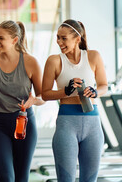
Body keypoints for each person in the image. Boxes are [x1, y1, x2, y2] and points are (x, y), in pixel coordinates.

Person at [0, 20, 45, 182]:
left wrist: (34, 100)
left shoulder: (30, 62)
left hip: (24, 123)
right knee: (5, 178)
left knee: (21, 178)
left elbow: (43, 97)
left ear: (14, 40)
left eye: (1, 38)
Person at [42, 19, 108, 182]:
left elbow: (103, 86)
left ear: (77, 39)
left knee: (89, 180)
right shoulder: (54, 61)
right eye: (58, 37)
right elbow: (45, 94)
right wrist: (66, 91)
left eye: (63, 38)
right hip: (67, 124)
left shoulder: (93, 56)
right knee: (66, 179)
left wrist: (95, 92)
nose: (59, 42)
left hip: (93, 124)